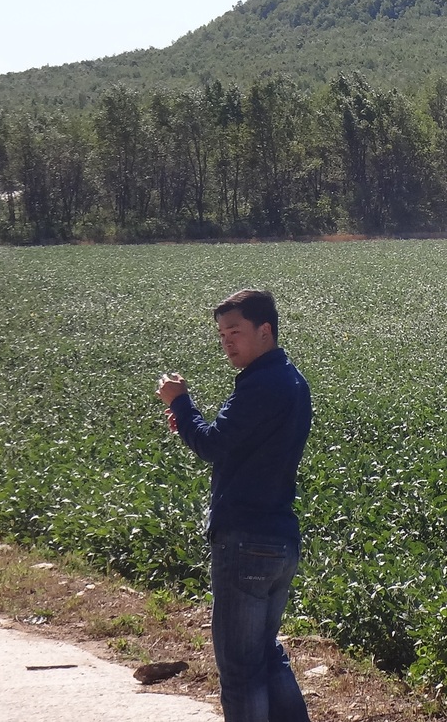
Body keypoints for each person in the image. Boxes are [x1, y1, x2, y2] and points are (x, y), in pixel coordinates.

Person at [157, 288, 313, 722]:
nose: (227, 341)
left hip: (246, 540)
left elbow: (213, 444)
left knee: (242, 670)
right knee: (264, 655)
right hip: (279, 538)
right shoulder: (290, 380)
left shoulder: (261, 384)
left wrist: (180, 403)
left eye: (235, 331)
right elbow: (235, 445)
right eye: (222, 333)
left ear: (265, 331)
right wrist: (186, 419)